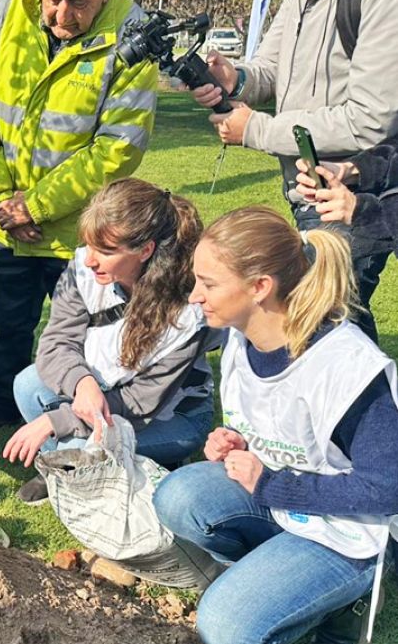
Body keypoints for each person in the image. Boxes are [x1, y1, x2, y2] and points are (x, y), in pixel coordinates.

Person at [153, 206, 398, 644]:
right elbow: (288, 433)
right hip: (287, 502)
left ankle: (343, 603)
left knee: (225, 626)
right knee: (179, 496)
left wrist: (272, 485)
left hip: (349, 533)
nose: (194, 295)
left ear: (260, 287)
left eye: (208, 283)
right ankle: (281, 583)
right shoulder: (239, 337)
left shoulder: (343, 366)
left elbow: (387, 486)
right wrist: (237, 442)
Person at [0, 0, 159, 433]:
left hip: (81, 236)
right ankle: (0, 409)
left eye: (79, 2)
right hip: (7, 225)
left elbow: (118, 148)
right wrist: (2, 199)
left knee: (86, 341)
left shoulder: (134, 33)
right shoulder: (6, 10)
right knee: (10, 330)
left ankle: (77, 428)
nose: (63, 14)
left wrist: (36, 206)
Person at [189, 0, 398, 341]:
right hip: (306, 191)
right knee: (331, 331)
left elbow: (371, 119)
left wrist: (256, 130)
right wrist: (235, 78)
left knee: (323, 333)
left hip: (355, 194)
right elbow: (272, 68)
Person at [3, 179, 214, 504]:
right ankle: (73, 464)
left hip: (168, 417)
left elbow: (142, 402)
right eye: (88, 245)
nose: (89, 260)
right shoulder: (84, 269)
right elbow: (56, 341)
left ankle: (150, 460)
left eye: (106, 251)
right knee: (27, 384)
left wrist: (57, 420)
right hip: (106, 395)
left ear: (146, 251)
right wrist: (82, 383)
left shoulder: (189, 309)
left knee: (72, 449)